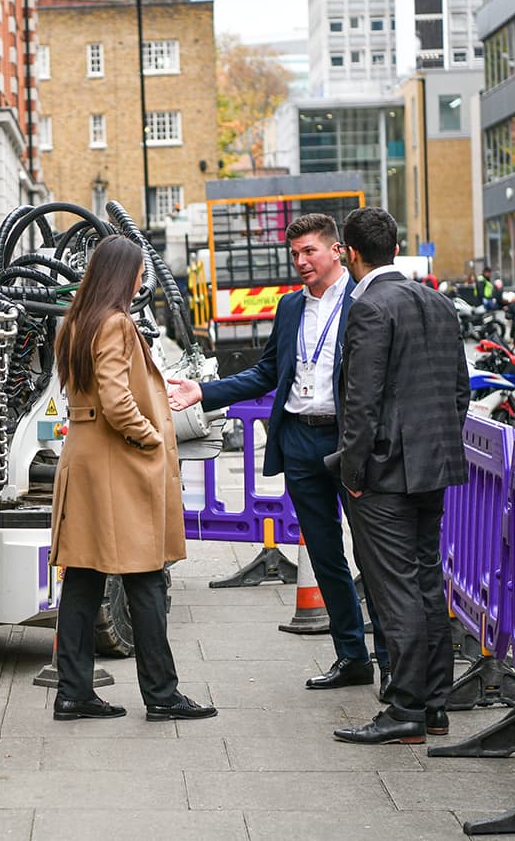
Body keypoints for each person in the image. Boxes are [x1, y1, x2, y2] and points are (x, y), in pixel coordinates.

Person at [168, 213, 388, 694]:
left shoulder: (365, 301)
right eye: (295, 254)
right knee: (326, 556)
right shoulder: (290, 308)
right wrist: (205, 392)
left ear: (337, 251)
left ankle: (390, 661)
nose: (301, 262)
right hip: (302, 442)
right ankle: (352, 656)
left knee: (371, 554)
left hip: (350, 439)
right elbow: (267, 372)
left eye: (309, 251)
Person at [50, 236, 215, 723]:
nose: (143, 279)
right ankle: (162, 694)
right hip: (115, 465)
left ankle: (74, 692)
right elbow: (118, 399)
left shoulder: (77, 321)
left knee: (82, 580)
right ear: (125, 275)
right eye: (139, 272)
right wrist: (151, 439)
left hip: (84, 460)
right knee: (145, 579)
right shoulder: (116, 324)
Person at [329, 207, 469, 745]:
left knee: (395, 591)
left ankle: (406, 709)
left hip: (384, 473)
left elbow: (360, 402)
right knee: (427, 583)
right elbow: (458, 392)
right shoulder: (437, 302)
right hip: (432, 468)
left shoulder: (369, 307)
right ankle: (434, 704)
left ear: (351, 252)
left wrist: (354, 472)